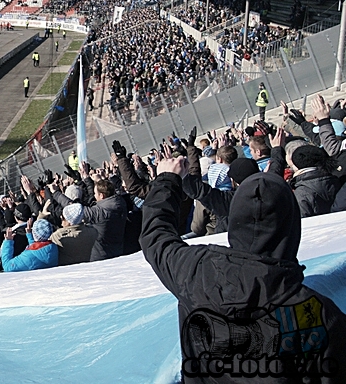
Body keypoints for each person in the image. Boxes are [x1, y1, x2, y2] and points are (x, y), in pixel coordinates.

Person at [141, 157, 346, 382]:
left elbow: (156, 236)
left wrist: (166, 180)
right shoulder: (319, 315)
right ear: (292, 225)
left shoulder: (195, 271)